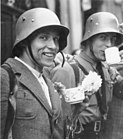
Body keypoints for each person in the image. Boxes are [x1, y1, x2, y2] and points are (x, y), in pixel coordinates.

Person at [48, 12, 123, 139]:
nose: (109, 44)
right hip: (79, 134)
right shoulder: (67, 70)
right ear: (89, 39)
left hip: (103, 133)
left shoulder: (106, 70)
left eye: (112, 40)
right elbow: (56, 123)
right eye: (103, 38)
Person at [1, 8, 70, 139]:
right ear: (24, 41)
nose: (53, 46)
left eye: (55, 39)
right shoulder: (5, 77)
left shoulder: (47, 79)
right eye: (43, 38)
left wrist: (77, 109)